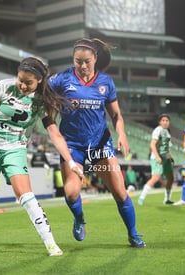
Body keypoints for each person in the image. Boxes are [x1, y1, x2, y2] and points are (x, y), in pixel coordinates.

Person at [0, 56, 84, 257]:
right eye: (20, 79)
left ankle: (50, 243)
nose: (22, 85)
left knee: (26, 195)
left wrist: (71, 161)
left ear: (39, 80)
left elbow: (54, 133)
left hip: (15, 149)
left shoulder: (43, 101)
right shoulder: (3, 87)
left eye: (28, 82)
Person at [48, 38, 145, 248]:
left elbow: (116, 115)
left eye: (87, 61)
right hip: (72, 146)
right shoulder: (62, 79)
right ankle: (80, 219)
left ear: (95, 59)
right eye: (78, 61)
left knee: (119, 192)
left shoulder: (106, 82)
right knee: (71, 192)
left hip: (100, 145)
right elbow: (41, 90)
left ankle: (133, 233)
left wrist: (122, 133)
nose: (82, 66)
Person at [138, 114, 175, 205]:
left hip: (165, 158)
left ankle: (167, 199)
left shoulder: (167, 132)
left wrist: (171, 156)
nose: (165, 122)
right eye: (163, 120)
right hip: (157, 158)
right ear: (160, 122)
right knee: (155, 178)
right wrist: (157, 156)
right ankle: (141, 197)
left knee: (170, 178)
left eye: (167, 120)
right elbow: (152, 144)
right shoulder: (158, 130)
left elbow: (166, 146)